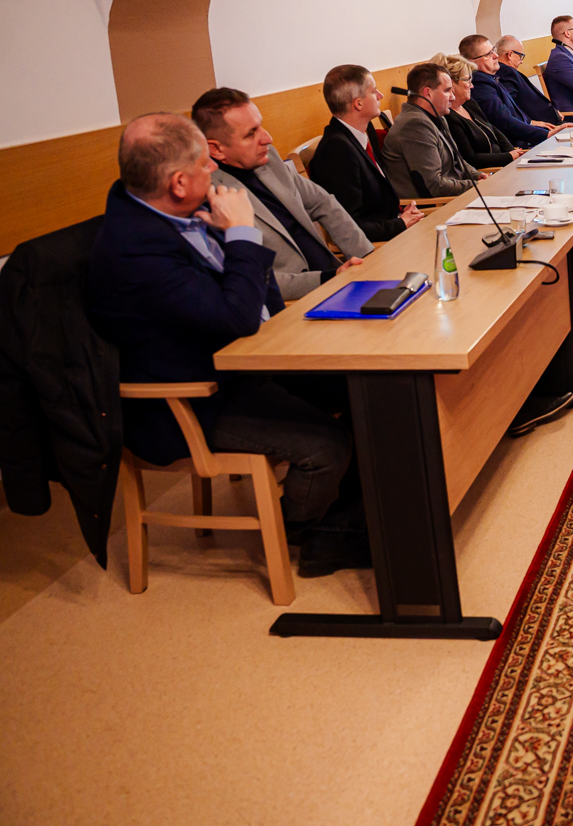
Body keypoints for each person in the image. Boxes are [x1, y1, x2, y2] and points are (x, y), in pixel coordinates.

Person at [87, 114, 368, 576]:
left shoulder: (171, 212)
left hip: (239, 364)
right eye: (204, 166)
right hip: (190, 399)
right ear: (179, 183)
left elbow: (259, 302)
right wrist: (241, 233)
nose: (213, 173)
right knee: (327, 445)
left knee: (363, 387)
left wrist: (235, 242)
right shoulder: (135, 249)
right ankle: (309, 531)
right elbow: (237, 317)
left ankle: (353, 513)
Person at [194, 87, 370, 301]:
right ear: (216, 149)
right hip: (293, 301)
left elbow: (322, 203)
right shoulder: (211, 197)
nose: (267, 138)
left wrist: (367, 258)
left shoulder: (269, 159)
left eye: (261, 126)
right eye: (251, 133)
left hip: (337, 277)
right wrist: (330, 278)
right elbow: (253, 278)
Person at [307, 65, 424, 244]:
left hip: (391, 235)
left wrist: (403, 215)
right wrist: (399, 224)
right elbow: (350, 227)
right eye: (374, 91)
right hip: (378, 249)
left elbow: (375, 203)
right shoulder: (337, 151)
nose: (380, 96)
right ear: (358, 103)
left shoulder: (357, 136)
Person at [381, 62, 485, 198]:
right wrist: (474, 185)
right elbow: (434, 186)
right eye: (447, 91)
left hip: (452, 196)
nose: (453, 97)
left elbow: (457, 161)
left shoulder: (437, 117)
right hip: (434, 206)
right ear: (427, 93)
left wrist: (477, 176)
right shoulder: (415, 124)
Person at [460, 34, 554, 146]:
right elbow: (503, 120)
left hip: (526, 139)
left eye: (493, 50)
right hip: (518, 147)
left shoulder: (490, 77)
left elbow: (512, 112)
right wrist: (545, 135)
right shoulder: (480, 83)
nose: (495, 56)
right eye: (488, 54)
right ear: (472, 63)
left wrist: (533, 125)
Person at [435, 53, 525, 169]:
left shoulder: (469, 104)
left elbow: (493, 129)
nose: (472, 86)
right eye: (467, 80)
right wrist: (508, 157)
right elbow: (471, 159)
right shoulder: (449, 117)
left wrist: (513, 152)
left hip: (503, 165)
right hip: (490, 172)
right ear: (451, 84)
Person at [493, 34, 567, 126]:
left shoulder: (505, 71)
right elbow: (510, 108)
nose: (521, 61)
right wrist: (531, 123)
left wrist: (554, 112)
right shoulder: (506, 72)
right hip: (544, 127)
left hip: (551, 121)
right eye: (520, 56)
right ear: (510, 54)